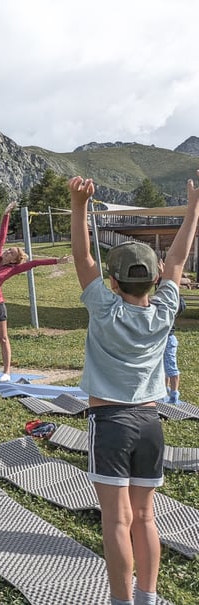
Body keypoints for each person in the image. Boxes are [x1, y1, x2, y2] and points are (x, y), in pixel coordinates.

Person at [69, 170, 199, 605]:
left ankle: (122, 602)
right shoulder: (165, 309)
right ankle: (147, 597)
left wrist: (79, 206)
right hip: (150, 423)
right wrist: (194, 210)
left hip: (110, 424)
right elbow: (179, 261)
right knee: (145, 517)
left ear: (114, 282)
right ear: (155, 279)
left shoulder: (104, 308)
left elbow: (83, 257)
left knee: (116, 521)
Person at [0, 200, 72, 381]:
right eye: (9, 249)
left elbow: (34, 263)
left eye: (11, 252)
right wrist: (6, 214)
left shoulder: (12, 269)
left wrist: (57, 261)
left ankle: (7, 372)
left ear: (14, 260)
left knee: (2, 339)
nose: (7, 251)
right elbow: (2, 235)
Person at [157, 260, 187, 404]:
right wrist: (163, 277)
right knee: (163, 368)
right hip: (162, 339)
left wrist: (165, 277)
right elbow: (164, 294)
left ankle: (174, 395)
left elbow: (171, 297)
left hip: (168, 339)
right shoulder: (168, 305)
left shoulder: (175, 306)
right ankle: (165, 390)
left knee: (171, 368)